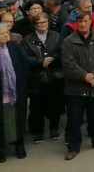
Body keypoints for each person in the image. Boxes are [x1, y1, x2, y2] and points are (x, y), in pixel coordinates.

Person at [61, 10, 94, 160]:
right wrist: (86, 77)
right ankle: (73, 147)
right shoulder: (68, 41)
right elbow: (69, 64)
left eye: (85, 21)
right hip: (75, 89)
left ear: (91, 21)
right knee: (74, 119)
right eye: (80, 22)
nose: (82, 24)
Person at [0, 23, 29, 162]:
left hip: (15, 92)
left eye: (6, 32)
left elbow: (24, 64)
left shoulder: (14, 47)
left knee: (18, 120)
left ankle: (19, 145)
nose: (6, 35)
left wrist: (23, 83)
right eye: (2, 33)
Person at [21, 12, 63, 143]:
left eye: (45, 22)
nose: (43, 25)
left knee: (55, 104)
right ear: (34, 25)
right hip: (36, 77)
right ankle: (39, 131)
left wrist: (53, 58)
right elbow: (25, 57)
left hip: (55, 76)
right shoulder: (27, 40)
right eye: (39, 23)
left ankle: (54, 128)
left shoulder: (57, 36)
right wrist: (40, 61)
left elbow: (62, 51)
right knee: (37, 107)